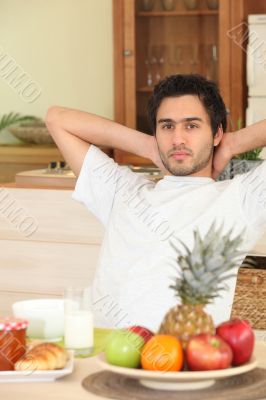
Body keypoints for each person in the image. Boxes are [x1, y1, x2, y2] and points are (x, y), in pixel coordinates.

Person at [45, 74, 266, 331]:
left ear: (216, 133)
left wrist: (234, 143)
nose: (178, 139)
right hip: (99, 351)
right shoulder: (122, 190)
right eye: (167, 126)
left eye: (191, 126)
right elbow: (56, 119)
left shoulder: (242, 199)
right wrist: (147, 146)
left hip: (179, 360)